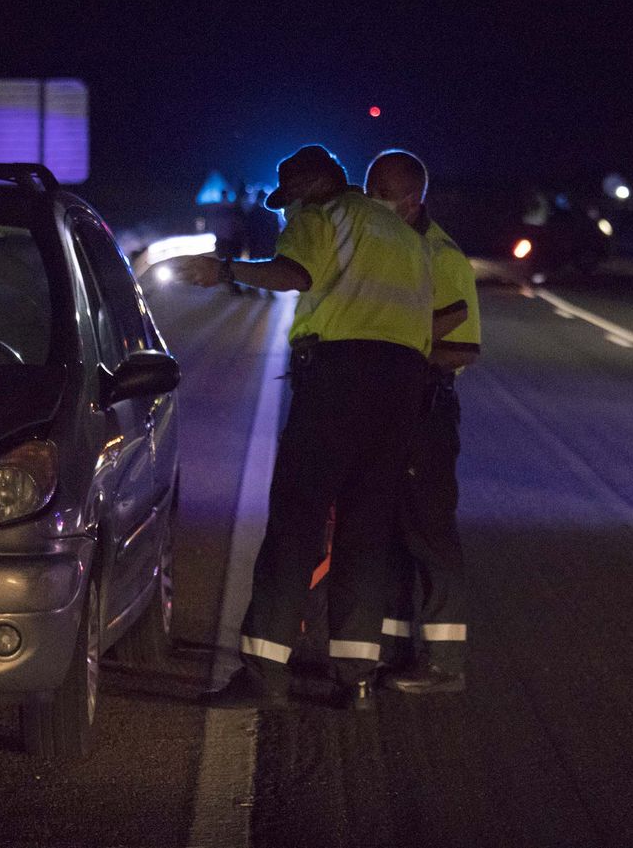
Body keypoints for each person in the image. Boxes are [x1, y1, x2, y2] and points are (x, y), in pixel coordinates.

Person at [162, 145, 433, 709]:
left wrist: (226, 270)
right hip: (405, 385)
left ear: (311, 187)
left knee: (298, 520)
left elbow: (296, 274)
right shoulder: (404, 235)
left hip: (340, 380)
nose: (285, 215)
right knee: (366, 529)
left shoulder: (322, 216)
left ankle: (265, 675)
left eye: (289, 203)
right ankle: (357, 679)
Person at [363, 150, 480, 693]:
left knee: (429, 532)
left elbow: (463, 348)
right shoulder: (380, 247)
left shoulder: (443, 256)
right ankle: (393, 651)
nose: (373, 201)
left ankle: (442, 662)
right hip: (384, 408)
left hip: (424, 411)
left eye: (383, 192)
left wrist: (399, 352)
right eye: (369, 189)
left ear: (413, 201)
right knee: (389, 534)